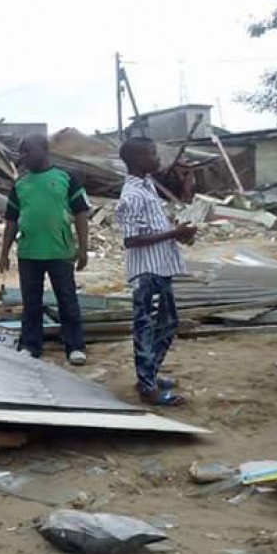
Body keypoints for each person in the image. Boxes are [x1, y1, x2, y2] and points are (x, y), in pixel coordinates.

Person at [115, 137, 197, 406]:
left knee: (167, 323)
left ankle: (148, 375)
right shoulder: (132, 195)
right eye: (152, 153)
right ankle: (147, 388)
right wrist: (174, 233)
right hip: (146, 272)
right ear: (138, 159)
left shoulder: (147, 185)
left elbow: (152, 228)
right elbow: (131, 239)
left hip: (160, 266)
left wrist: (179, 235)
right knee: (146, 327)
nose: (158, 158)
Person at [0, 134, 90, 365]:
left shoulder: (66, 178)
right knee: (31, 302)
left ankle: (75, 346)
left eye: (27, 151)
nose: (23, 156)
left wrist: (83, 248)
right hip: (29, 252)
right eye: (21, 152)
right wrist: (4, 254)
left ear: (44, 150)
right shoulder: (20, 185)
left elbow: (81, 213)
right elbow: (11, 221)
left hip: (60, 251)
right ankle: (30, 345)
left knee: (67, 299)